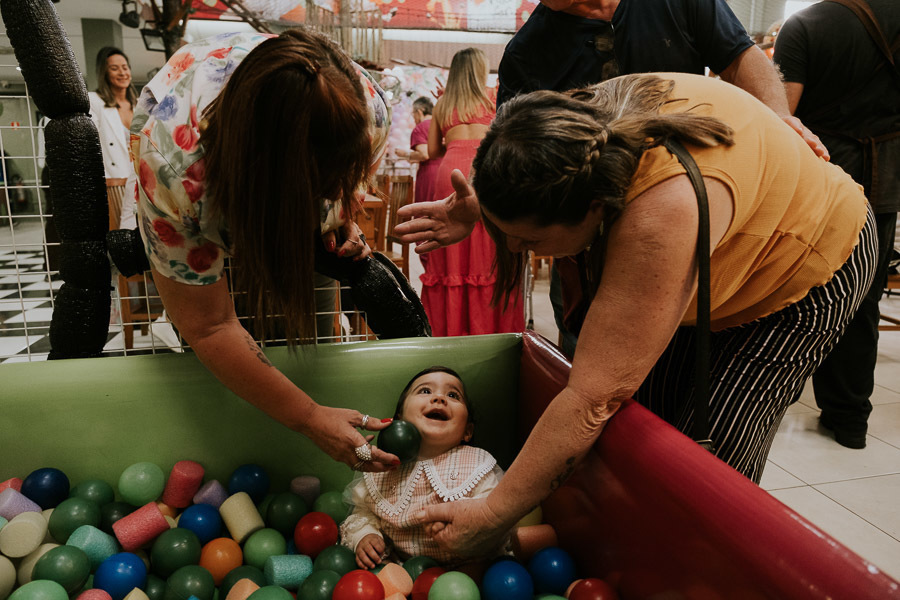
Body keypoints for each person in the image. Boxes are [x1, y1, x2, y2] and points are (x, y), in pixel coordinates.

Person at [397, 74, 877, 556]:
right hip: (716, 246)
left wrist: (493, 513)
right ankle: (638, 551)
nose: (518, 249)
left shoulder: (661, 212)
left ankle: (693, 568)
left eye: (531, 241)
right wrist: (483, 210)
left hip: (808, 263)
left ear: (595, 208)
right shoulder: (576, 129)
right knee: (647, 429)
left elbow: (592, 399)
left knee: (709, 470)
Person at [131, 29, 399, 471]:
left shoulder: (368, 110)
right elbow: (209, 326)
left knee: (313, 345)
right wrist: (309, 418)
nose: (333, 192)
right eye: (317, 185)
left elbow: (349, 186)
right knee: (223, 381)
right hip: (207, 183)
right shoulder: (173, 170)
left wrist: (339, 214)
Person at [496, 0, 828, 357]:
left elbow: (739, 57)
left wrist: (779, 116)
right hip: (588, 237)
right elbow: (511, 158)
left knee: (688, 339)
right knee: (592, 345)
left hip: (686, 208)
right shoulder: (526, 52)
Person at [774, 0, 900, 449]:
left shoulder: (806, 24)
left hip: (821, 177)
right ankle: (849, 419)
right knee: (863, 298)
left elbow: (783, 115)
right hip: (884, 177)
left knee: (794, 289)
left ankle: (778, 392)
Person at [340, 366, 505, 567]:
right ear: (399, 419)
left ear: (467, 431)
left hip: (468, 567)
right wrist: (365, 536)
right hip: (400, 569)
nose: (439, 398)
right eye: (425, 391)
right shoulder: (382, 469)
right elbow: (362, 514)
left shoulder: (475, 465)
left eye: (452, 395)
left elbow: (493, 513)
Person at [418, 48, 524, 336]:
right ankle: (488, 328)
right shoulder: (493, 96)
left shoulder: (443, 104)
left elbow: (433, 151)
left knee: (449, 249)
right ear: (480, 70)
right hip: (483, 171)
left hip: (449, 172)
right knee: (488, 250)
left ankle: (450, 329)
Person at [88, 46, 138, 230]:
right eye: (114, 68)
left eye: (125, 67)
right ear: (104, 73)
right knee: (118, 236)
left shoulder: (139, 104)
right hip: (114, 183)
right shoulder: (94, 102)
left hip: (140, 181)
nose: (122, 73)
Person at [394, 96, 442, 207]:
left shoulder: (420, 128)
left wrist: (405, 154)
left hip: (429, 175)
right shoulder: (441, 125)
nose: (413, 118)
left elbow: (425, 154)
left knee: (424, 210)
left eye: (413, 114)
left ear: (419, 112)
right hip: (444, 173)